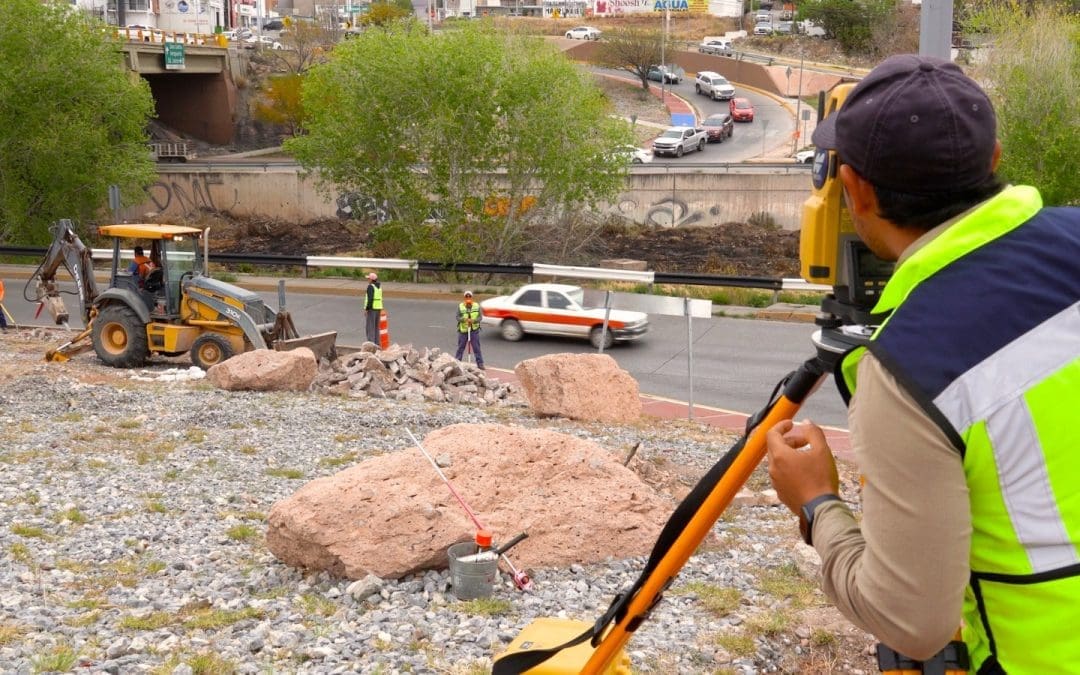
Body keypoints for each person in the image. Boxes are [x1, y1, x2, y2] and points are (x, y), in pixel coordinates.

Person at [765, 54, 1080, 673]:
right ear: (993, 162)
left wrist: (817, 504)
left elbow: (912, 623)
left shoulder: (909, 370)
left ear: (853, 189)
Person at [453, 291, 484, 370]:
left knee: (476, 347)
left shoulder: (476, 306)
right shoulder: (460, 306)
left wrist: (473, 321)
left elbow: (480, 317)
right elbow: (457, 317)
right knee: (461, 347)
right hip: (463, 330)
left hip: (474, 330)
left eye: (469, 297)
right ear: (464, 298)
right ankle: (457, 362)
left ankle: (480, 363)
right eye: (466, 297)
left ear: (472, 297)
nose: (468, 298)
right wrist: (464, 320)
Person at [364, 272, 382, 344]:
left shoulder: (370, 287)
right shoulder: (379, 287)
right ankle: (377, 344)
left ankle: (371, 344)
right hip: (378, 308)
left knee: (370, 327)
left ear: (371, 280)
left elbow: (370, 299)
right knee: (376, 327)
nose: (368, 280)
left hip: (372, 308)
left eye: (368, 279)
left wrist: (367, 309)